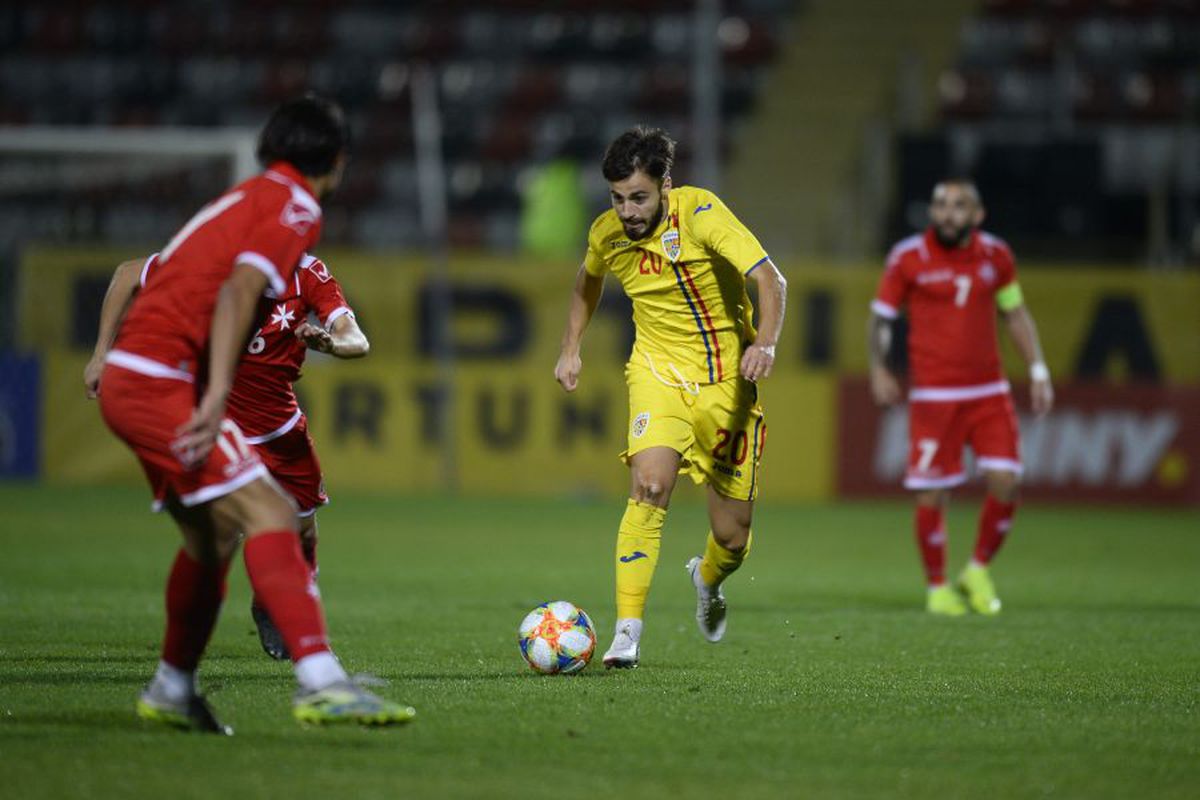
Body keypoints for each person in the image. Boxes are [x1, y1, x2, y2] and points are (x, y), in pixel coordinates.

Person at [93, 94, 413, 732]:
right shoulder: (294, 204)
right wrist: (213, 400)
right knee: (270, 514)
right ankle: (321, 681)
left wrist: (105, 357)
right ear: (338, 161)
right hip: (163, 383)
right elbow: (241, 291)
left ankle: (170, 689)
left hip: (138, 378)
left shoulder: (239, 201)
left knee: (210, 541)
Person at [554, 126, 787, 668]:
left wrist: (767, 346)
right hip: (656, 373)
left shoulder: (702, 213)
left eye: (638, 197)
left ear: (665, 186)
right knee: (650, 485)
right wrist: (570, 348)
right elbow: (586, 283)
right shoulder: (606, 234)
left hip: (727, 381)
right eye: (617, 198)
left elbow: (771, 280)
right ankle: (626, 632)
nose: (627, 211)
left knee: (732, 536)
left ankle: (706, 578)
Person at [85, 250, 367, 661]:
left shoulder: (307, 273)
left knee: (304, 530)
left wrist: (332, 343)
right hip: (220, 428)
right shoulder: (217, 259)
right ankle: (183, 666)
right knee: (222, 536)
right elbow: (127, 274)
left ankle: (265, 605)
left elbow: (356, 339)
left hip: (281, 432)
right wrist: (99, 355)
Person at [867, 178, 1054, 616]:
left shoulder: (996, 256)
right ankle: (937, 588)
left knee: (1007, 480)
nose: (947, 213)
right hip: (935, 397)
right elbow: (881, 318)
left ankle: (977, 569)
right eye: (940, 205)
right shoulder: (908, 258)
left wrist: (1039, 369)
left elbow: (1015, 312)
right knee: (932, 494)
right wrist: (878, 368)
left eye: (958, 205)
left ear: (977, 215)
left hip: (989, 392)